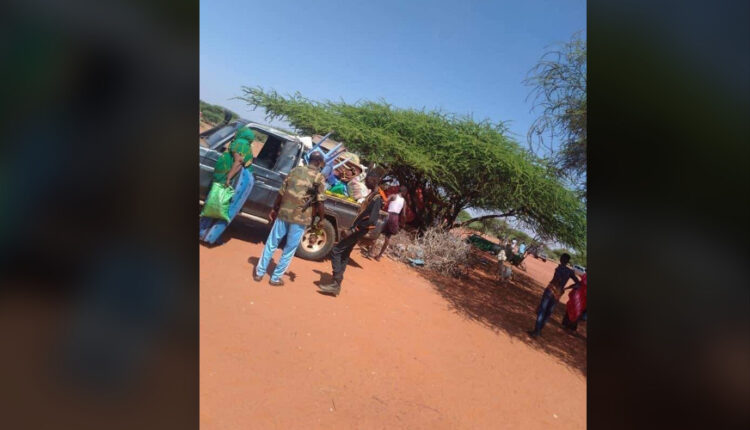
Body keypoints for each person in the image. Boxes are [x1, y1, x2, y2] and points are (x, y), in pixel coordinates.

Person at [252, 152, 327, 286]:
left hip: (284, 213)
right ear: (318, 162)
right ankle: (275, 278)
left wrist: (274, 208)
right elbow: (320, 202)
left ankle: (259, 273)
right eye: (321, 162)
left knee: (271, 243)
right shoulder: (319, 177)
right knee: (289, 249)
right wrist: (321, 219)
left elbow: (281, 192)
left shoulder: (295, 170)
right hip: (300, 218)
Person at [318, 167, 385, 297]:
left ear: (374, 180)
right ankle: (336, 283)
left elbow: (372, 220)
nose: (365, 181)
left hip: (358, 230)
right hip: (357, 229)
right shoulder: (372, 195)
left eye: (367, 179)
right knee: (344, 253)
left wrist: (353, 230)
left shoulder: (377, 198)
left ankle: (336, 281)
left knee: (336, 250)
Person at [199, 127, 256, 244]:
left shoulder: (239, 143)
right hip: (230, 179)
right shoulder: (246, 145)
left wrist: (229, 177)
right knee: (221, 207)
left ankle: (204, 233)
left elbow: (238, 161)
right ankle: (209, 234)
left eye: (238, 132)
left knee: (215, 205)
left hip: (227, 180)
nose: (236, 133)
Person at [528, 253, 580, 338]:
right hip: (558, 293)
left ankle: (536, 332)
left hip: (551, 289)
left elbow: (557, 279)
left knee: (542, 310)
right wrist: (566, 288)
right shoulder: (570, 271)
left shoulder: (559, 268)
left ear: (561, 259)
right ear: (567, 261)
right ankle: (539, 331)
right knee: (548, 312)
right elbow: (578, 283)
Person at [370, 186, 407, 261]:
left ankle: (370, 251)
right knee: (387, 237)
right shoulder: (404, 201)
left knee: (378, 233)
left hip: (388, 215)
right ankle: (379, 256)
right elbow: (403, 214)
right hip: (395, 218)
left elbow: (385, 201)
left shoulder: (393, 196)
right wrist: (403, 223)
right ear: (404, 192)